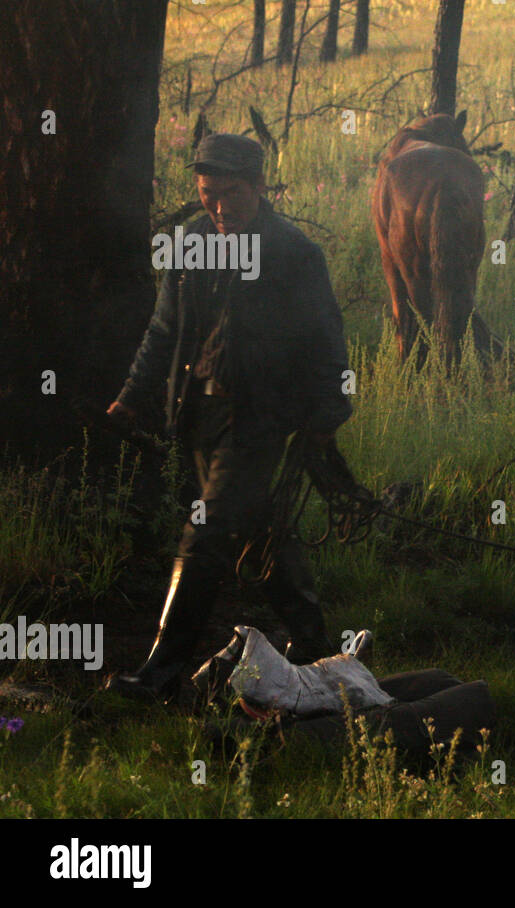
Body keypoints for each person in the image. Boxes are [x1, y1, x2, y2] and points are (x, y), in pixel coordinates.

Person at [105, 133, 352, 700]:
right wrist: (130, 397)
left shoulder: (293, 252)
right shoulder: (190, 242)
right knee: (259, 526)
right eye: (206, 194)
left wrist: (329, 411)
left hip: (259, 418)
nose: (217, 207)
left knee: (207, 532)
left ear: (260, 188)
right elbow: (163, 330)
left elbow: (326, 338)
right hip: (197, 414)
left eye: (230, 194)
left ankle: (160, 674)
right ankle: (315, 643)